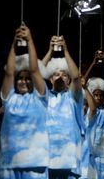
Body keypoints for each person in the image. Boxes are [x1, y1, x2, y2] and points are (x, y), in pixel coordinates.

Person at [0, 24, 49, 178]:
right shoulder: (9, 98)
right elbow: (9, 72)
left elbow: (34, 70)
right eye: (20, 79)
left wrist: (30, 40)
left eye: (27, 79)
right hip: (8, 163)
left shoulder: (40, 98)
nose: (24, 81)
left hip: (35, 164)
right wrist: (14, 44)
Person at [41, 35, 84, 178]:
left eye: (64, 75)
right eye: (55, 74)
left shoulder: (73, 97)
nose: (60, 77)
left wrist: (65, 50)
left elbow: (77, 77)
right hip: (48, 157)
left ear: (68, 79)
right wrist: (50, 51)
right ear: (50, 78)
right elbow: (37, 74)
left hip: (70, 159)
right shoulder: (44, 97)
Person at [83, 50, 104, 178]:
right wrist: (93, 63)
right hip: (88, 154)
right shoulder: (86, 112)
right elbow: (82, 83)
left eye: (101, 95)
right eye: (95, 95)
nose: (98, 97)